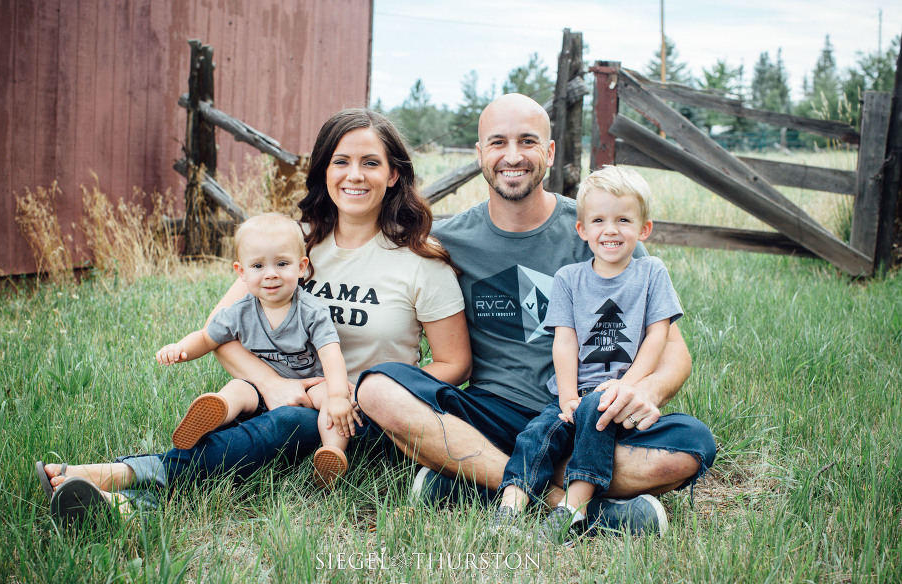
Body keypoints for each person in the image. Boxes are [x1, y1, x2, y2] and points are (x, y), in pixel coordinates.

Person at [36, 109, 471, 523]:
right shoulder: (290, 246)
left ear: (393, 174)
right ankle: (127, 503)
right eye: (341, 161)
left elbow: (455, 363)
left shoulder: (420, 261)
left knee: (282, 426)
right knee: (265, 419)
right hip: (279, 390)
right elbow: (221, 329)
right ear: (324, 170)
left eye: (370, 163)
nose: (354, 174)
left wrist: (365, 393)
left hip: (365, 416)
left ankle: (123, 476)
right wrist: (273, 384)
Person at [355, 93, 716, 536]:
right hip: (492, 416)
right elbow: (365, 268)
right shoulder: (448, 242)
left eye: (527, 141)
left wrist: (647, 391)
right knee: (376, 391)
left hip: (587, 416)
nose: (512, 156)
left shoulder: (599, 229)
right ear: (480, 155)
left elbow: (675, 352)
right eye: (498, 142)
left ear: (547, 152)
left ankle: (465, 481)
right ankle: (568, 505)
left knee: (689, 448)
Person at [494, 165, 684, 543]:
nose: (610, 230)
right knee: (537, 433)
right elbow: (564, 342)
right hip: (573, 393)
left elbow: (657, 336)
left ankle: (573, 512)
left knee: (596, 416)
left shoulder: (651, 273)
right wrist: (566, 395)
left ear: (644, 229)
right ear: (582, 229)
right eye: (598, 220)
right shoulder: (569, 278)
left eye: (624, 220)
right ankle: (510, 508)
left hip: (623, 399)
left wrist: (626, 387)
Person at [156, 212, 359, 487]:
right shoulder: (238, 313)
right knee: (237, 390)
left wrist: (337, 396)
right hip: (260, 389)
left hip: (308, 389)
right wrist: (180, 349)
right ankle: (213, 415)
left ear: (301, 267)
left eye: (282, 263)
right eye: (258, 266)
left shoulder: (312, 312)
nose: (271, 274)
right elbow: (206, 338)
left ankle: (332, 453)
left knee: (329, 400)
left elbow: (330, 353)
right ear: (241, 272)